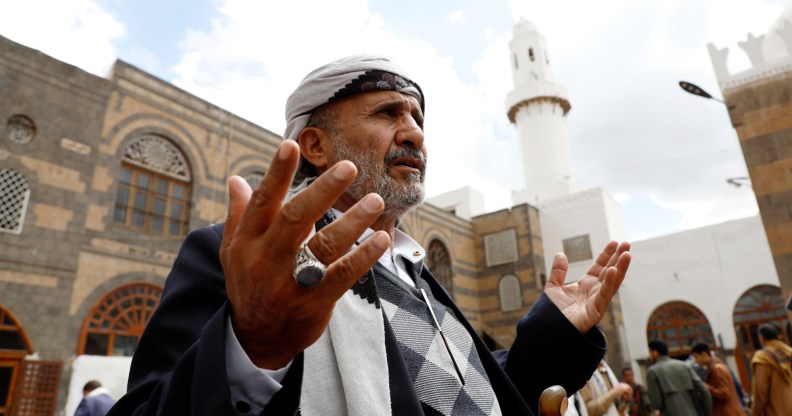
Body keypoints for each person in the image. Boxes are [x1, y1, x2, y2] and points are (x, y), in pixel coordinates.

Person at [108, 54, 632, 416]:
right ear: (314, 145)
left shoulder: (414, 274)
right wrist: (253, 345)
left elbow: (474, 399)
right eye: (388, 113)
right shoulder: (243, 260)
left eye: (417, 116)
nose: (415, 132)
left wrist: (553, 333)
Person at [646, 340, 711, 416]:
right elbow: (704, 391)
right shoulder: (684, 366)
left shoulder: (652, 371)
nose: (649, 356)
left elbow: (656, 403)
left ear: (655, 353)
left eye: (649, 352)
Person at [690, 342, 745, 415]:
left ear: (704, 354)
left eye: (696, 356)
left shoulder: (717, 369)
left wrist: (707, 387)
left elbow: (725, 394)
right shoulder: (713, 368)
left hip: (728, 412)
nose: (695, 360)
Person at [750, 323, 792, 416]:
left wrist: (756, 412)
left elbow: (760, 392)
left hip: (776, 411)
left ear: (762, 338)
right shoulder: (789, 352)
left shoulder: (763, 358)